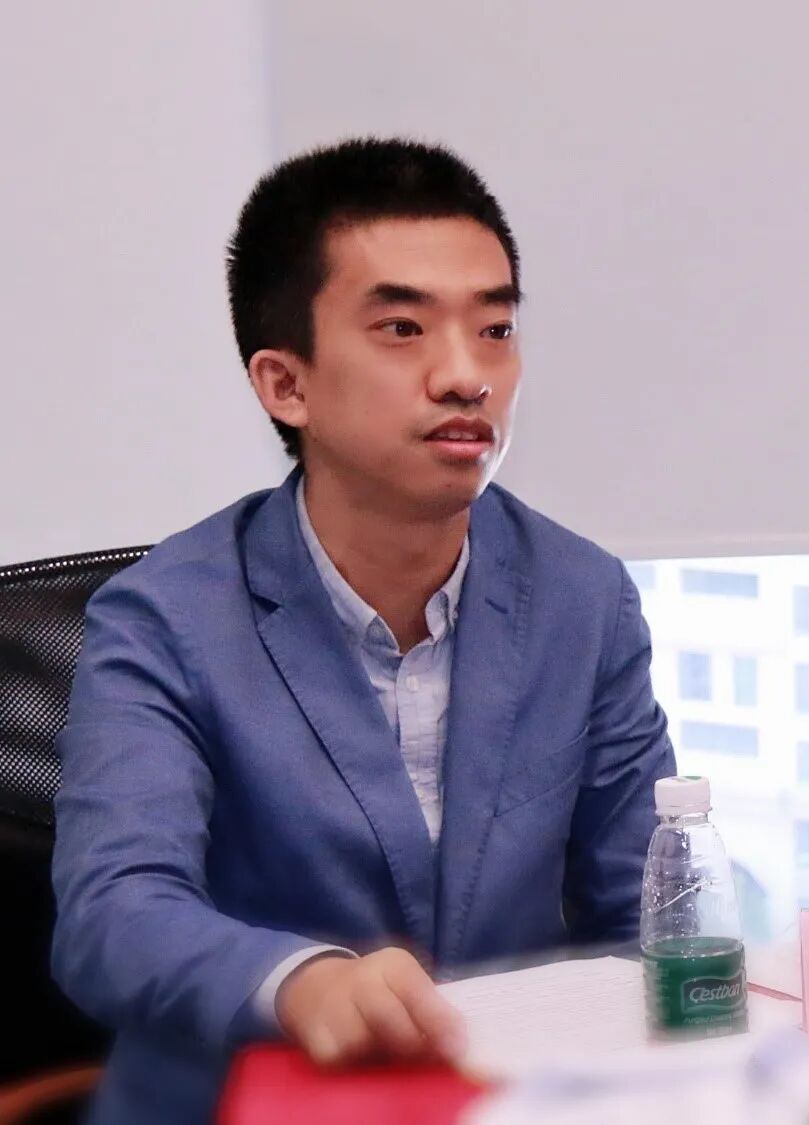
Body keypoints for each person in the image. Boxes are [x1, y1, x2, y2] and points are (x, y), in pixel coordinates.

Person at [51, 137, 675, 1124]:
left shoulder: (580, 597)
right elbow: (112, 916)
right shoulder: (164, 617)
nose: (465, 376)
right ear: (284, 384)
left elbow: (642, 915)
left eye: (495, 328)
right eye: (401, 328)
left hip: (501, 1101)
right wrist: (301, 983)